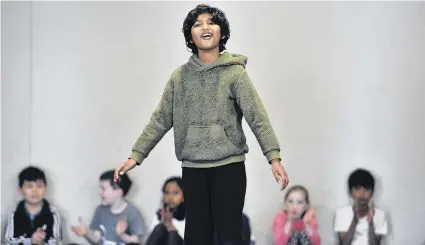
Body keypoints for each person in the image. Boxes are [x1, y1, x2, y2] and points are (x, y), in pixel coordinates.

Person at [114, 4, 289, 245]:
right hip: (193, 168)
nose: (205, 27)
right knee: (196, 237)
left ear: (222, 32)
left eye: (211, 22)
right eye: (198, 24)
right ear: (190, 36)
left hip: (229, 167)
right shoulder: (179, 77)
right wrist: (136, 155)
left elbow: (257, 116)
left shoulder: (235, 74)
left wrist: (274, 157)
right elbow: (161, 118)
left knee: (229, 236)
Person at [71, 170, 145, 245]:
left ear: (118, 192)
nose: (99, 192)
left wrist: (122, 235)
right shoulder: (100, 210)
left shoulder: (132, 212)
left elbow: (136, 241)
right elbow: (97, 239)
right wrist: (86, 233)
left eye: (103, 189)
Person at [4, 166, 62, 245]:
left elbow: (57, 241)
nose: (35, 190)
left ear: (45, 189)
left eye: (39, 186)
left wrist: (41, 242)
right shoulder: (14, 213)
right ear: (20, 190)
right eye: (29, 186)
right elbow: (8, 241)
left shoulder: (53, 213)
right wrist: (30, 240)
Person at [334, 168, 388, 245]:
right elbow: (343, 244)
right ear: (350, 191)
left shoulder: (381, 214)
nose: (362, 193)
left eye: (366, 189)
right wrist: (355, 220)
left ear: (372, 192)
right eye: (357, 188)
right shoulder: (341, 213)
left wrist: (370, 222)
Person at [145, 176, 185, 245]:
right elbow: (152, 238)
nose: (170, 197)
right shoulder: (160, 213)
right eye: (167, 193)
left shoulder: (190, 215)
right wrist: (163, 221)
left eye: (175, 193)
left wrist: (170, 225)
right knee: (160, 228)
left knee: (173, 235)